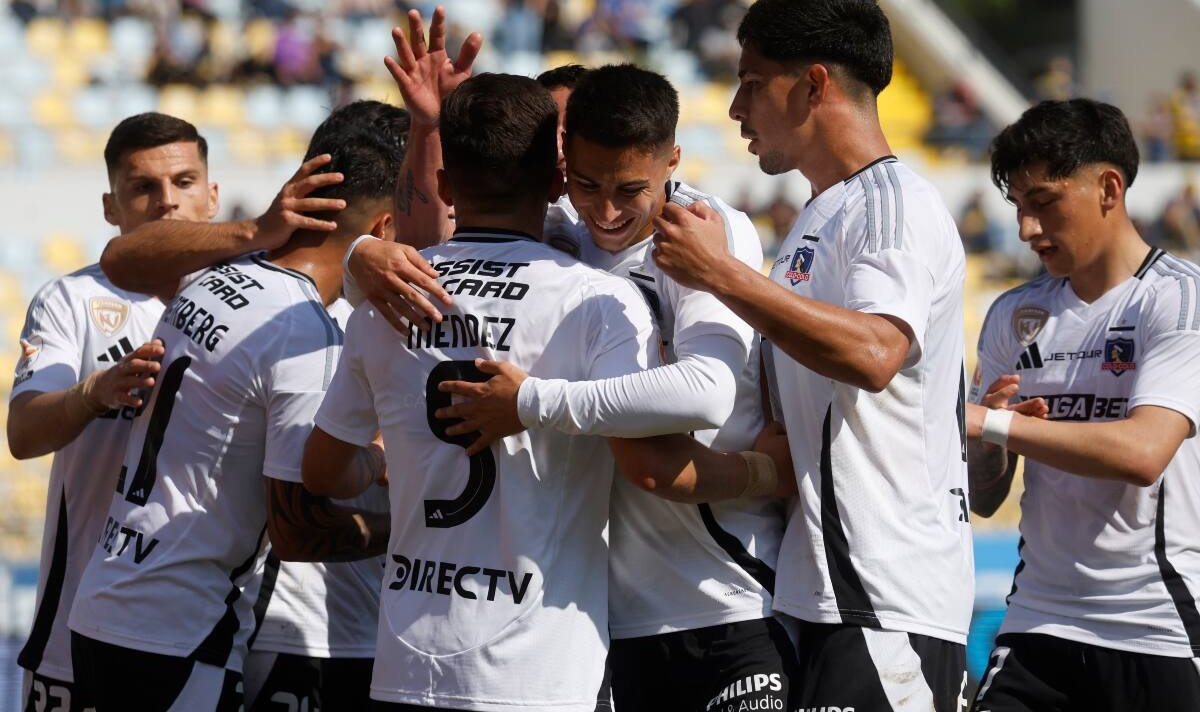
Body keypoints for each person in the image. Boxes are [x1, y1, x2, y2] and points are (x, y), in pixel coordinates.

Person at [430, 64, 796, 711]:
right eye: (586, 185)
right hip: (609, 615)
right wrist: (362, 256)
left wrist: (530, 402)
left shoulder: (704, 229)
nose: (605, 211)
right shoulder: (560, 236)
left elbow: (708, 392)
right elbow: (441, 255)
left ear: (672, 161)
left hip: (727, 595)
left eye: (630, 191)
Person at [651, 0, 973, 710]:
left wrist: (720, 274)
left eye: (752, 83)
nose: (736, 108)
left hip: (887, 598)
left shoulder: (893, 205)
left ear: (814, 84)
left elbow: (875, 354)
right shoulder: (820, 215)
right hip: (822, 592)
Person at [302, 72, 661, 711]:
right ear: (557, 182)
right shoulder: (599, 301)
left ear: (446, 186)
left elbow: (322, 472)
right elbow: (649, 449)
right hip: (540, 671)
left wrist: (391, 457)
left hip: (408, 660)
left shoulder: (389, 298)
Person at [67, 101, 401, 712]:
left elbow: (122, 257)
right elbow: (298, 530)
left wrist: (253, 231)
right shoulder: (305, 333)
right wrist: (406, 526)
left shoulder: (215, 274)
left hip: (109, 600)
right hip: (178, 632)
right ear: (383, 230)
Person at [966, 99, 1200, 712]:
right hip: (1038, 619)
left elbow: (1143, 454)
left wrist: (994, 423)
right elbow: (985, 497)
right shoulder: (1013, 314)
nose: (1026, 229)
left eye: (1043, 202)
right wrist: (987, 441)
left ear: (1108, 188)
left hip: (1157, 623)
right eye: (1017, 207)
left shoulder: (1178, 300)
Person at [8, 113, 219, 712]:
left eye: (183, 182)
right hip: (77, 631)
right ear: (110, 206)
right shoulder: (72, 299)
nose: (167, 201)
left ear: (212, 195)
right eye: (143, 187)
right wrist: (94, 392)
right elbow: (23, 433)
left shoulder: (259, 306)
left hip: (213, 627)